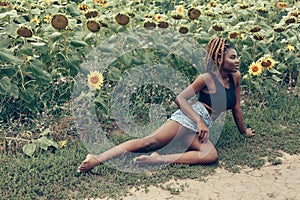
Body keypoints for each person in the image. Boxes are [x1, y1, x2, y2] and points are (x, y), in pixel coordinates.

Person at [78, 38, 255, 173]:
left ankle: (159, 159)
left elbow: (236, 107)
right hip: (189, 117)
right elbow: (180, 98)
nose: (237, 60)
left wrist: (244, 131)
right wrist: (199, 121)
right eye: (232, 57)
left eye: (237, 57)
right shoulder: (206, 78)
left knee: (211, 156)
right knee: (149, 142)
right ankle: (96, 158)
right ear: (219, 59)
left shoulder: (235, 77)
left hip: (201, 128)